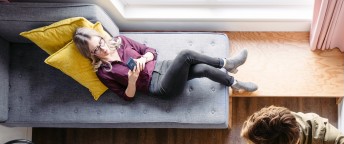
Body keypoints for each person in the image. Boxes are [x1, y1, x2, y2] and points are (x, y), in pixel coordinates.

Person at [73, 27, 258, 101]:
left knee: (202, 69)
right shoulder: (104, 72)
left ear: (101, 37)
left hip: (164, 67)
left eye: (100, 43)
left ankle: (234, 83)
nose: (102, 49)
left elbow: (151, 51)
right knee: (186, 54)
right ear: (90, 55)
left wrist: (143, 59)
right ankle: (227, 63)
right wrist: (132, 80)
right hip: (159, 87)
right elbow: (127, 98)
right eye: (96, 50)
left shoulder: (120, 40)